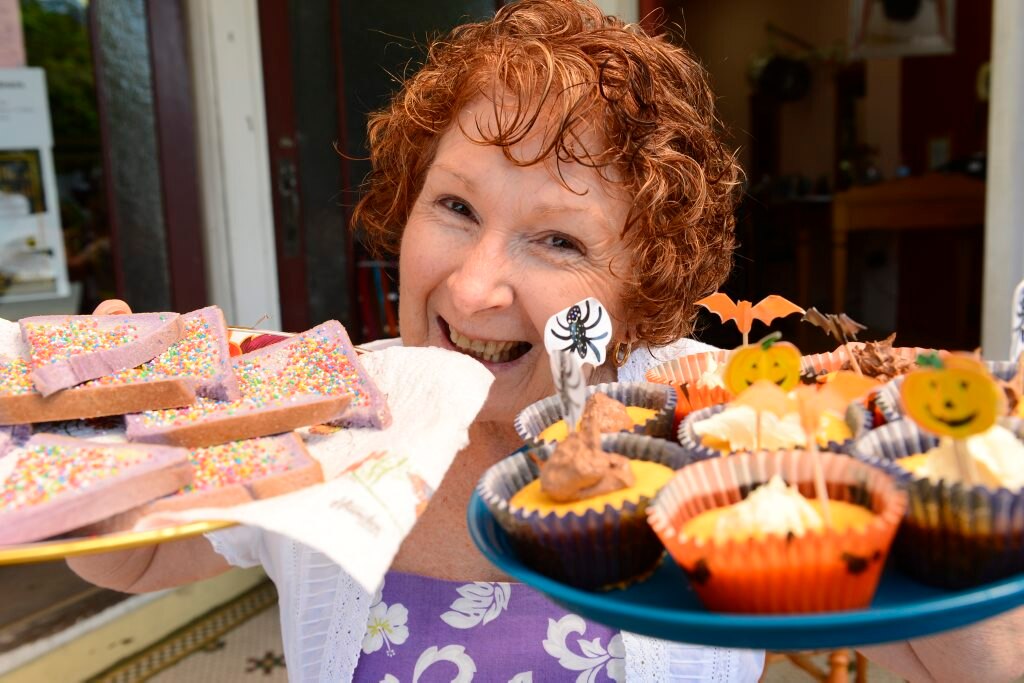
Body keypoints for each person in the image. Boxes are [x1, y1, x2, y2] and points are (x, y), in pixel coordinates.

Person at [68, 1, 1024, 681]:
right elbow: (137, 560)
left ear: (645, 287)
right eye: (453, 206)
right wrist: (90, 440)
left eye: (558, 238)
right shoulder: (319, 413)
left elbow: (967, 662)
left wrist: (949, 474)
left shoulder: (728, 430)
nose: (477, 286)